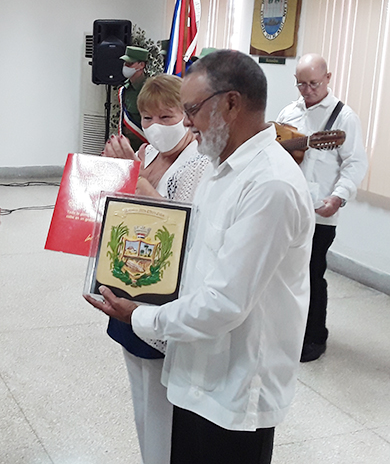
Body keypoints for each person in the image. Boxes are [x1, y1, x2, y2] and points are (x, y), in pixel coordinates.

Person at [85, 50, 315, 464]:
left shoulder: (270, 185)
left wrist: (140, 316)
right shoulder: (220, 167)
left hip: (235, 390)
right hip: (197, 374)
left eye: (190, 109)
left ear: (230, 103)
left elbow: (225, 303)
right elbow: (189, 251)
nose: (186, 122)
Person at [101, 74, 209, 464]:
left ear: (188, 114)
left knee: (161, 406)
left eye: (167, 116)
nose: (156, 127)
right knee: (140, 399)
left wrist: (134, 179)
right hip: (129, 282)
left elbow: (182, 229)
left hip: (164, 297)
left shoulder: (199, 162)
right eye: (147, 118)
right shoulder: (146, 154)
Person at [276, 54, 368, 363]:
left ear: (328, 78)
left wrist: (338, 197)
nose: (307, 89)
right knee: (285, 273)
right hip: (289, 209)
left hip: (320, 213)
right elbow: (277, 153)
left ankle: (315, 337)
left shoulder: (344, 118)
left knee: (312, 274)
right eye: (301, 83)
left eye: (313, 83)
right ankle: (287, 330)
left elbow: (355, 164)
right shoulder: (289, 112)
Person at [118, 46, 149, 151]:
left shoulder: (149, 89)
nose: (125, 66)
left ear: (141, 65)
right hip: (127, 143)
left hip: (143, 144)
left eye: (129, 64)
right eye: (124, 63)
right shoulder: (125, 89)